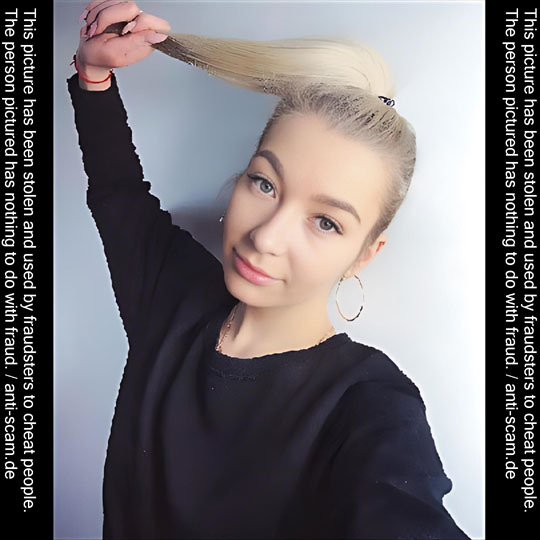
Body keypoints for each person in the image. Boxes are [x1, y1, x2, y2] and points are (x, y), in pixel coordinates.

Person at [67, 2, 471, 539]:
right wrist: (93, 73)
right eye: (265, 183)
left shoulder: (367, 407)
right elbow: (118, 191)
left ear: (364, 254)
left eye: (325, 222)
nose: (266, 237)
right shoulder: (172, 295)